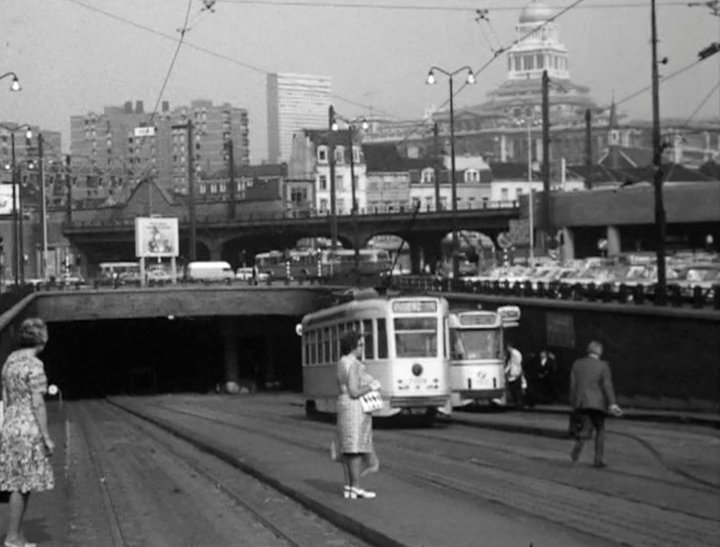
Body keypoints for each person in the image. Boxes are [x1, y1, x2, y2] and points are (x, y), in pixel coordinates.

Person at [0, 318, 55, 547]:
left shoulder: (10, 361)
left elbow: (5, 395)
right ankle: (13, 538)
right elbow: (38, 404)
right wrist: (46, 436)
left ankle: (19, 537)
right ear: (41, 338)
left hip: (10, 425)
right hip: (28, 428)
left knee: (19, 482)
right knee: (21, 485)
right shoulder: (34, 365)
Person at [335, 330, 381, 499]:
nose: (362, 348)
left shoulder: (341, 362)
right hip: (354, 408)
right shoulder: (354, 364)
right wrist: (371, 386)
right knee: (356, 448)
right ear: (353, 346)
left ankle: (348, 487)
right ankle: (356, 487)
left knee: (347, 449)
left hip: (343, 406)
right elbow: (354, 391)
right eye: (360, 345)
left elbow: (343, 388)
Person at [569, 340, 622, 468]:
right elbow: (607, 385)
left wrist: (573, 403)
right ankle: (598, 460)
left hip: (582, 402)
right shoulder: (603, 366)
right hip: (598, 404)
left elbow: (573, 385)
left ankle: (577, 449)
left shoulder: (577, 364)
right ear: (600, 352)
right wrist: (612, 404)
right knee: (600, 429)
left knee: (585, 428)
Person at [504, 341, 524, 408]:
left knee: (516, 389)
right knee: (513, 389)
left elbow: (518, 363)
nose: (507, 349)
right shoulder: (512, 354)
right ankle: (516, 402)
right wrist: (505, 371)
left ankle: (519, 402)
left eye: (508, 347)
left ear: (510, 347)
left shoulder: (515, 353)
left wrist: (518, 372)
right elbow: (510, 364)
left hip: (516, 374)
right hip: (512, 374)